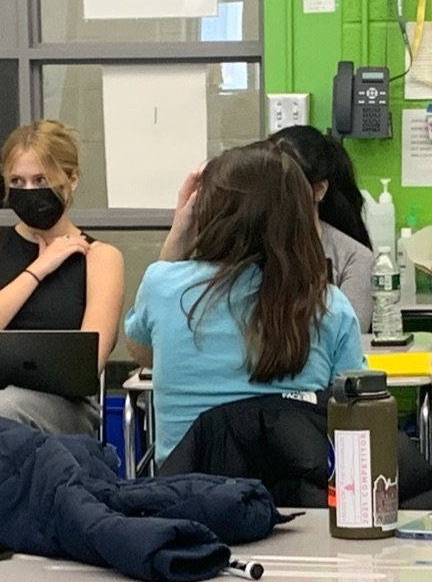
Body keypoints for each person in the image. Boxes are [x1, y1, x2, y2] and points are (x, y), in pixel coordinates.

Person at [127, 141, 364, 465]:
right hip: (298, 504)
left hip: (188, 499)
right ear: (298, 217)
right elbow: (356, 413)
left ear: (204, 212)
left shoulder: (163, 287)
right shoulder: (327, 305)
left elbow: (144, 353)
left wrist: (177, 235)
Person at [0, 119, 124, 434]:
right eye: (17, 182)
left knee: (6, 407)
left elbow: (88, 362)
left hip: (64, 403)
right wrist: (38, 269)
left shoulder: (101, 258)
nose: (28, 192)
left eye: (41, 180)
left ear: (72, 179)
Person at [271, 124, 374, 330]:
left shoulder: (353, 257)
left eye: (287, 187)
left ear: (318, 190)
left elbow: (350, 336)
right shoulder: (248, 247)